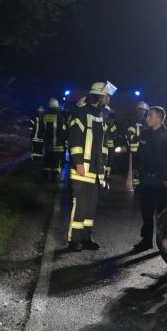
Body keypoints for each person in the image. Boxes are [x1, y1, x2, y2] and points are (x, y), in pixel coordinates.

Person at [67, 81, 116, 251]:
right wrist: (78, 162)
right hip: (82, 169)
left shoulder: (102, 116)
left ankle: (86, 237)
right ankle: (74, 239)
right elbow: (74, 139)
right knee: (80, 206)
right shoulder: (81, 113)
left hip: (96, 171)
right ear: (99, 96)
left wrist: (104, 168)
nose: (108, 99)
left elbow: (104, 145)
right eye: (107, 96)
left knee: (90, 207)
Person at [133, 106, 167, 251]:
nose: (148, 118)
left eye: (150, 115)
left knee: (162, 215)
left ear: (159, 118)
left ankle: (165, 243)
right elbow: (138, 155)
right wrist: (137, 174)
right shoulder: (145, 134)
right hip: (146, 180)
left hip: (161, 181)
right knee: (146, 213)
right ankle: (146, 240)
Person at [42, 98, 66, 182]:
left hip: (48, 145)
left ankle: (44, 177)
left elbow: (43, 130)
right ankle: (54, 178)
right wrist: (65, 142)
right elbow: (63, 131)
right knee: (56, 162)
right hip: (58, 145)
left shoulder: (45, 117)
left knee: (47, 160)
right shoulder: (60, 118)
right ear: (57, 107)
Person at [125, 101, 148, 188]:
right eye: (141, 110)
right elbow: (130, 134)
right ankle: (135, 185)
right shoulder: (132, 120)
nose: (143, 112)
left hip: (143, 149)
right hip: (134, 149)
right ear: (137, 110)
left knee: (142, 167)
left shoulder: (145, 122)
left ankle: (141, 184)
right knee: (135, 167)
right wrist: (134, 138)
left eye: (144, 110)